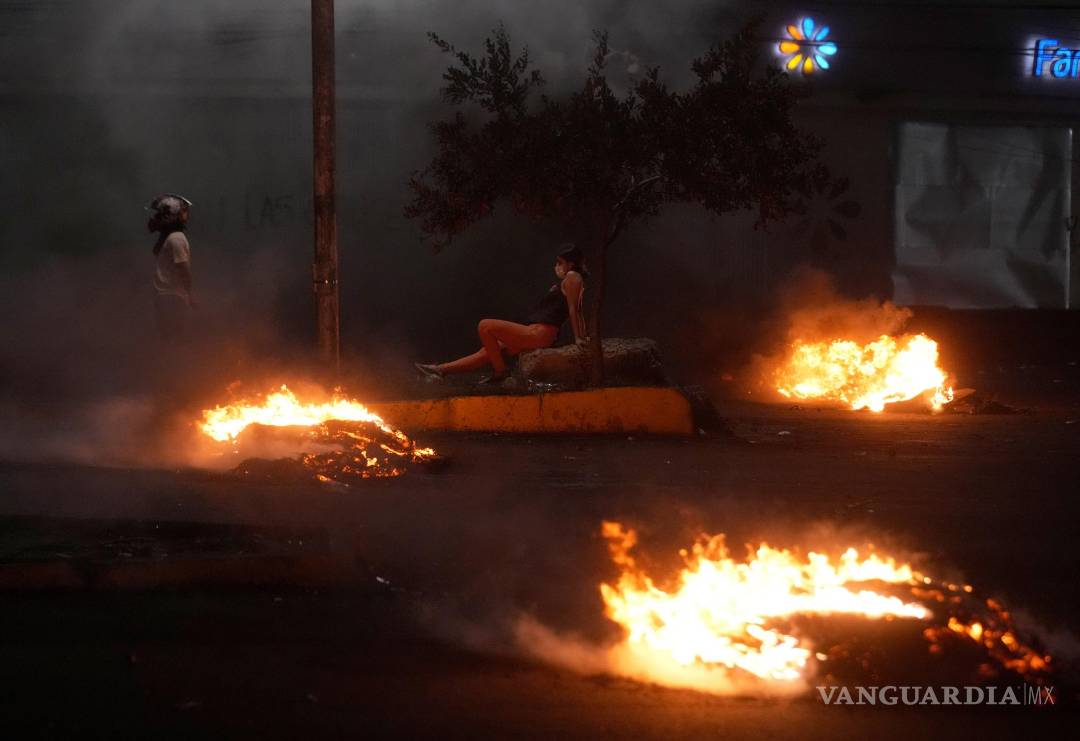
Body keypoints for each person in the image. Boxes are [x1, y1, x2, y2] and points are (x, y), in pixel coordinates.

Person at [416, 244, 588, 383]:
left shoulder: (572, 277)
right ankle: (440, 370)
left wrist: (579, 338)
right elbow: (574, 309)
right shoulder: (570, 281)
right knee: (487, 351)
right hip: (536, 332)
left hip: (539, 334)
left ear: (571, 264)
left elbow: (575, 310)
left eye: (560, 262)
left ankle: (501, 372)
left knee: (485, 326)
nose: (557, 266)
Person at [147, 193, 195, 339]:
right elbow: (183, 269)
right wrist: (190, 293)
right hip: (174, 299)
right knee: (178, 341)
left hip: (163, 298)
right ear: (176, 215)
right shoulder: (176, 238)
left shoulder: (167, 238)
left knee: (169, 340)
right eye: (184, 211)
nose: (187, 214)